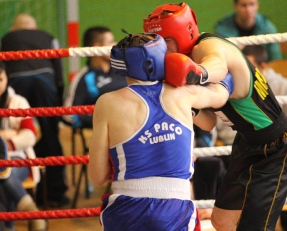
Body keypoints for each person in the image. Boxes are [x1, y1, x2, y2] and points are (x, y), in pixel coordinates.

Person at [144, 2, 287, 231]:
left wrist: (197, 74)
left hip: (277, 145)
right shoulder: (186, 64)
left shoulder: (207, 47)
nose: (161, 49)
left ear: (182, 32)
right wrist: (182, 101)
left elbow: (216, 65)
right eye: (156, 42)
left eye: (165, 41)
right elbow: (209, 123)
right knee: (223, 221)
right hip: (246, 142)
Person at [88, 33, 233, 230]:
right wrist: (199, 74)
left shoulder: (107, 103)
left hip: (126, 208)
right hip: (176, 209)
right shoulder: (184, 94)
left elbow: (97, 176)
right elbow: (222, 93)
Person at [0, 13, 68, 207]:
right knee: (50, 136)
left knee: (24, 131)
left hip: (16, 82)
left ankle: (24, 189)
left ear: (14, 28)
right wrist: (58, 105)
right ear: (34, 26)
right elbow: (59, 70)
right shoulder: (47, 36)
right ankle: (55, 193)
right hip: (46, 83)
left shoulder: (5, 39)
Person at [242, 44, 287, 231]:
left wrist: (283, 141)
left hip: (282, 146)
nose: (243, 69)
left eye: (249, 64)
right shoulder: (240, 83)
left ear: (262, 66)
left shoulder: (284, 86)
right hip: (250, 146)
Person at [0, 61, 47, 231]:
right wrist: (8, 134)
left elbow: (29, 135)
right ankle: (30, 213)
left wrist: (3, 142)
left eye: (0, 79)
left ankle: (9, 225)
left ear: (6, 78)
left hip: (19, 159)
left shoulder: (18, 101)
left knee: (4, 173)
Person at [63, 26, 127, 128]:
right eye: (110, 42)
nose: (115, 45)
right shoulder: (85, 78)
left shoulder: (124, 69)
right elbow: (68, 115)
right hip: (108, 135)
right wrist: (103, 121)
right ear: (97, 48)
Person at [214, 0, 282, 61]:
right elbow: (222, 59)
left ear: (257, 5)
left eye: (252, 4)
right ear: (235, 6)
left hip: (263, 70)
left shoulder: (268, 28)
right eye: (244, 5)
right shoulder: (222, 29)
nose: (248, 9)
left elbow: (276, 59)